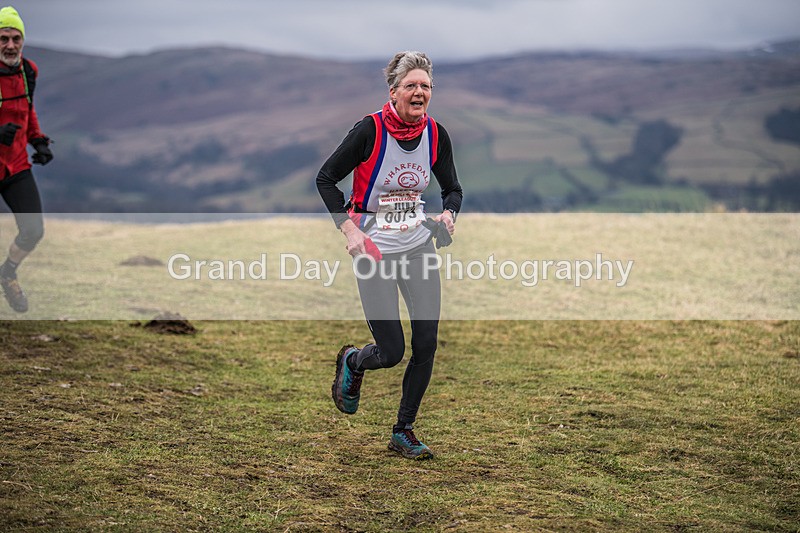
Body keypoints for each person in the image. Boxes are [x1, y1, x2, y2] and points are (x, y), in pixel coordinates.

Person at [317, 51, 463, 460]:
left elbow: (453, 188)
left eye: (426, 86)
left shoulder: (436, 134)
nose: (420, 92)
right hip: (375, 251)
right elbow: (326, 179)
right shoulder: (369, 131)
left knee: (427, 343)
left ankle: (404, 430)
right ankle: (353, 361)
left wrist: (449, 215)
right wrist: (348, 229)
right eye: (411, 85)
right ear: (394, 91)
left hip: (417, 247)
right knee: (391, 351)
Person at [0, 6, 52, 313]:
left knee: (34, 230)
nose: (9, 45)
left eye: (15, 38)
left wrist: (38, 140)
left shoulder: (27, 71)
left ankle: (6, 273)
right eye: (3, 38)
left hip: (16, 165)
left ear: (23, 40)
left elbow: (27, 110)